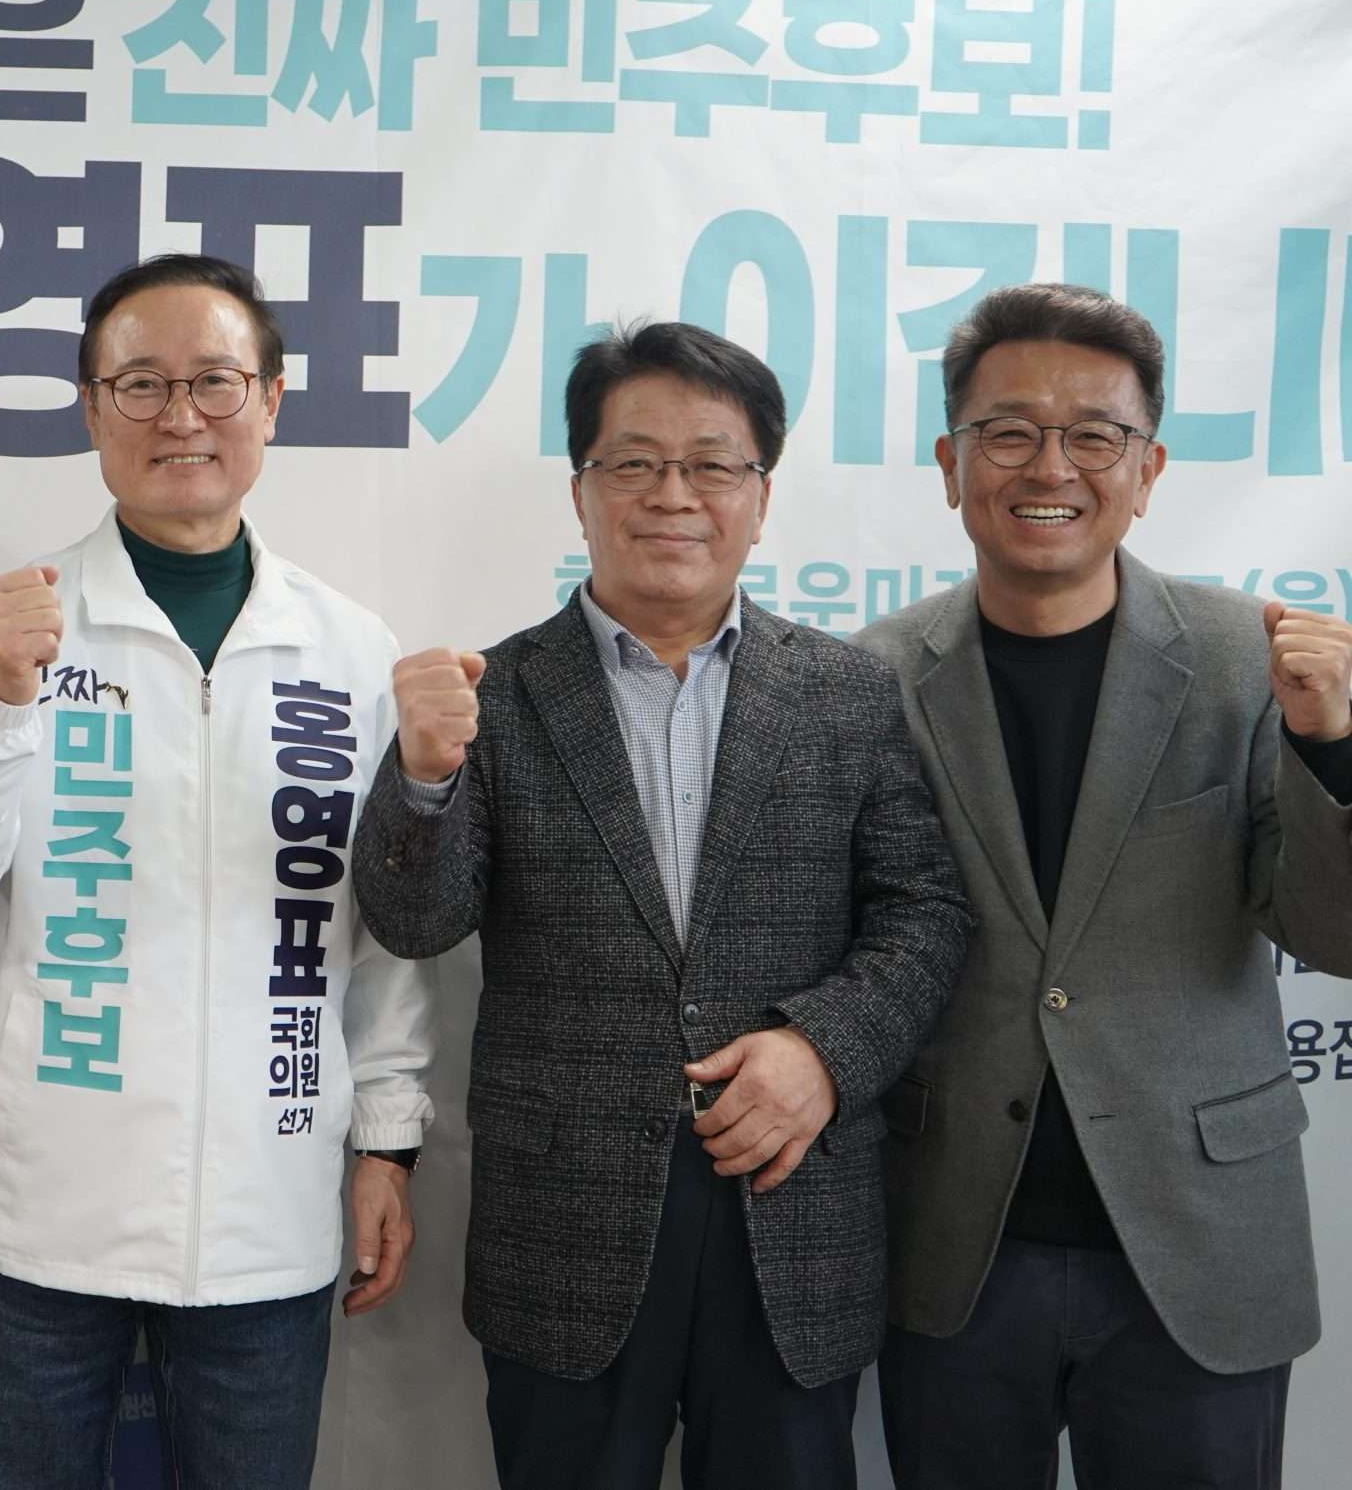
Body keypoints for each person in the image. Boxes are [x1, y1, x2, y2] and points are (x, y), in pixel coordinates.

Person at [0, 253, 436, 1490]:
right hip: (41, 1223)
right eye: (141, 384)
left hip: (268, 1219)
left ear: (272, 400)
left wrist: (387, 1142)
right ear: (89, 406)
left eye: (215, 382)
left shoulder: (347, 649)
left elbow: (373, 932)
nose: (181, 417)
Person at [350, 321, 973, 1490]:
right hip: (564, 1227)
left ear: (760, 495)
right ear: (579, 490)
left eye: (710, 464)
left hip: (792, 1202)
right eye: (632, 462)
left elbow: (924, 910)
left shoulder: (845, 692)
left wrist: (822, 1053)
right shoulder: (495, 693)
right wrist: (423, 777)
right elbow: (414, 923)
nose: (671, 495)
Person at [856, 282, 1352, 1490]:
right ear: (950, 464)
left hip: (1200, 1244)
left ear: (1147, 469)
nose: (1050, 466)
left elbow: (1332, 935)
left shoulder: (1250, 662)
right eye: (1007, 431)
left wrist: (1331, 750)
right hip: (954, 1243)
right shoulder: (870, 679)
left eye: (1093, 434)